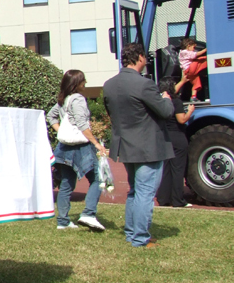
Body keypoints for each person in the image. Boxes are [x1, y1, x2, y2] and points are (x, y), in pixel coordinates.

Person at [103, 43, 174, 248]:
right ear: (140, 57)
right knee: (145, 192)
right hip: (148, 147)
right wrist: (167, 99)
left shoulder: (109, 84)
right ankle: (140, 238)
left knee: (135, 191)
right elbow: (165, 111)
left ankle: (131, 233)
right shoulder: (144, 84)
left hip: (125, 145)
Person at [47, 69, 108, 231]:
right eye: (83, 80)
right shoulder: (78, 100)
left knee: (66, 184)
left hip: (64, 148)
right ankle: (89, 213)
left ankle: (63, 221)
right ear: (77, 84)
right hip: (80, 148)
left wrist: (60, 131)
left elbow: (50, 116)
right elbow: (82, 125)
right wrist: (96, 143)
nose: (85, 83)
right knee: (98, 179)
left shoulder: (63, 100)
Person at [155, 76, 194, 208]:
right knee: (178, 170)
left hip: (165, 138)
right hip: (177, 137)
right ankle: (178, 200)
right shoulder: (176, 102)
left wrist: (182, 81)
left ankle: (163, 198)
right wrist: (190, 112)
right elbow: (181, 120)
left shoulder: (159, 101)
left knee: (166, 170)